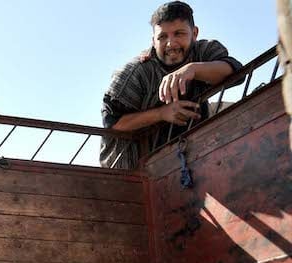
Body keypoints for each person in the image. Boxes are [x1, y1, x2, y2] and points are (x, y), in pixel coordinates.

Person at [100, 1, 243, 168]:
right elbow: (113, 122)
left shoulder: (203, 52)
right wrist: (161, 113)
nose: (171, 44)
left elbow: (235, 72)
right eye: (162, 37)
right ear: (153, 41)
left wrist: (193, 69)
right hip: (131, 171)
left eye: (179, 34)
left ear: (194, 33)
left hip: (192, 158)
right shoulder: (135, 73)